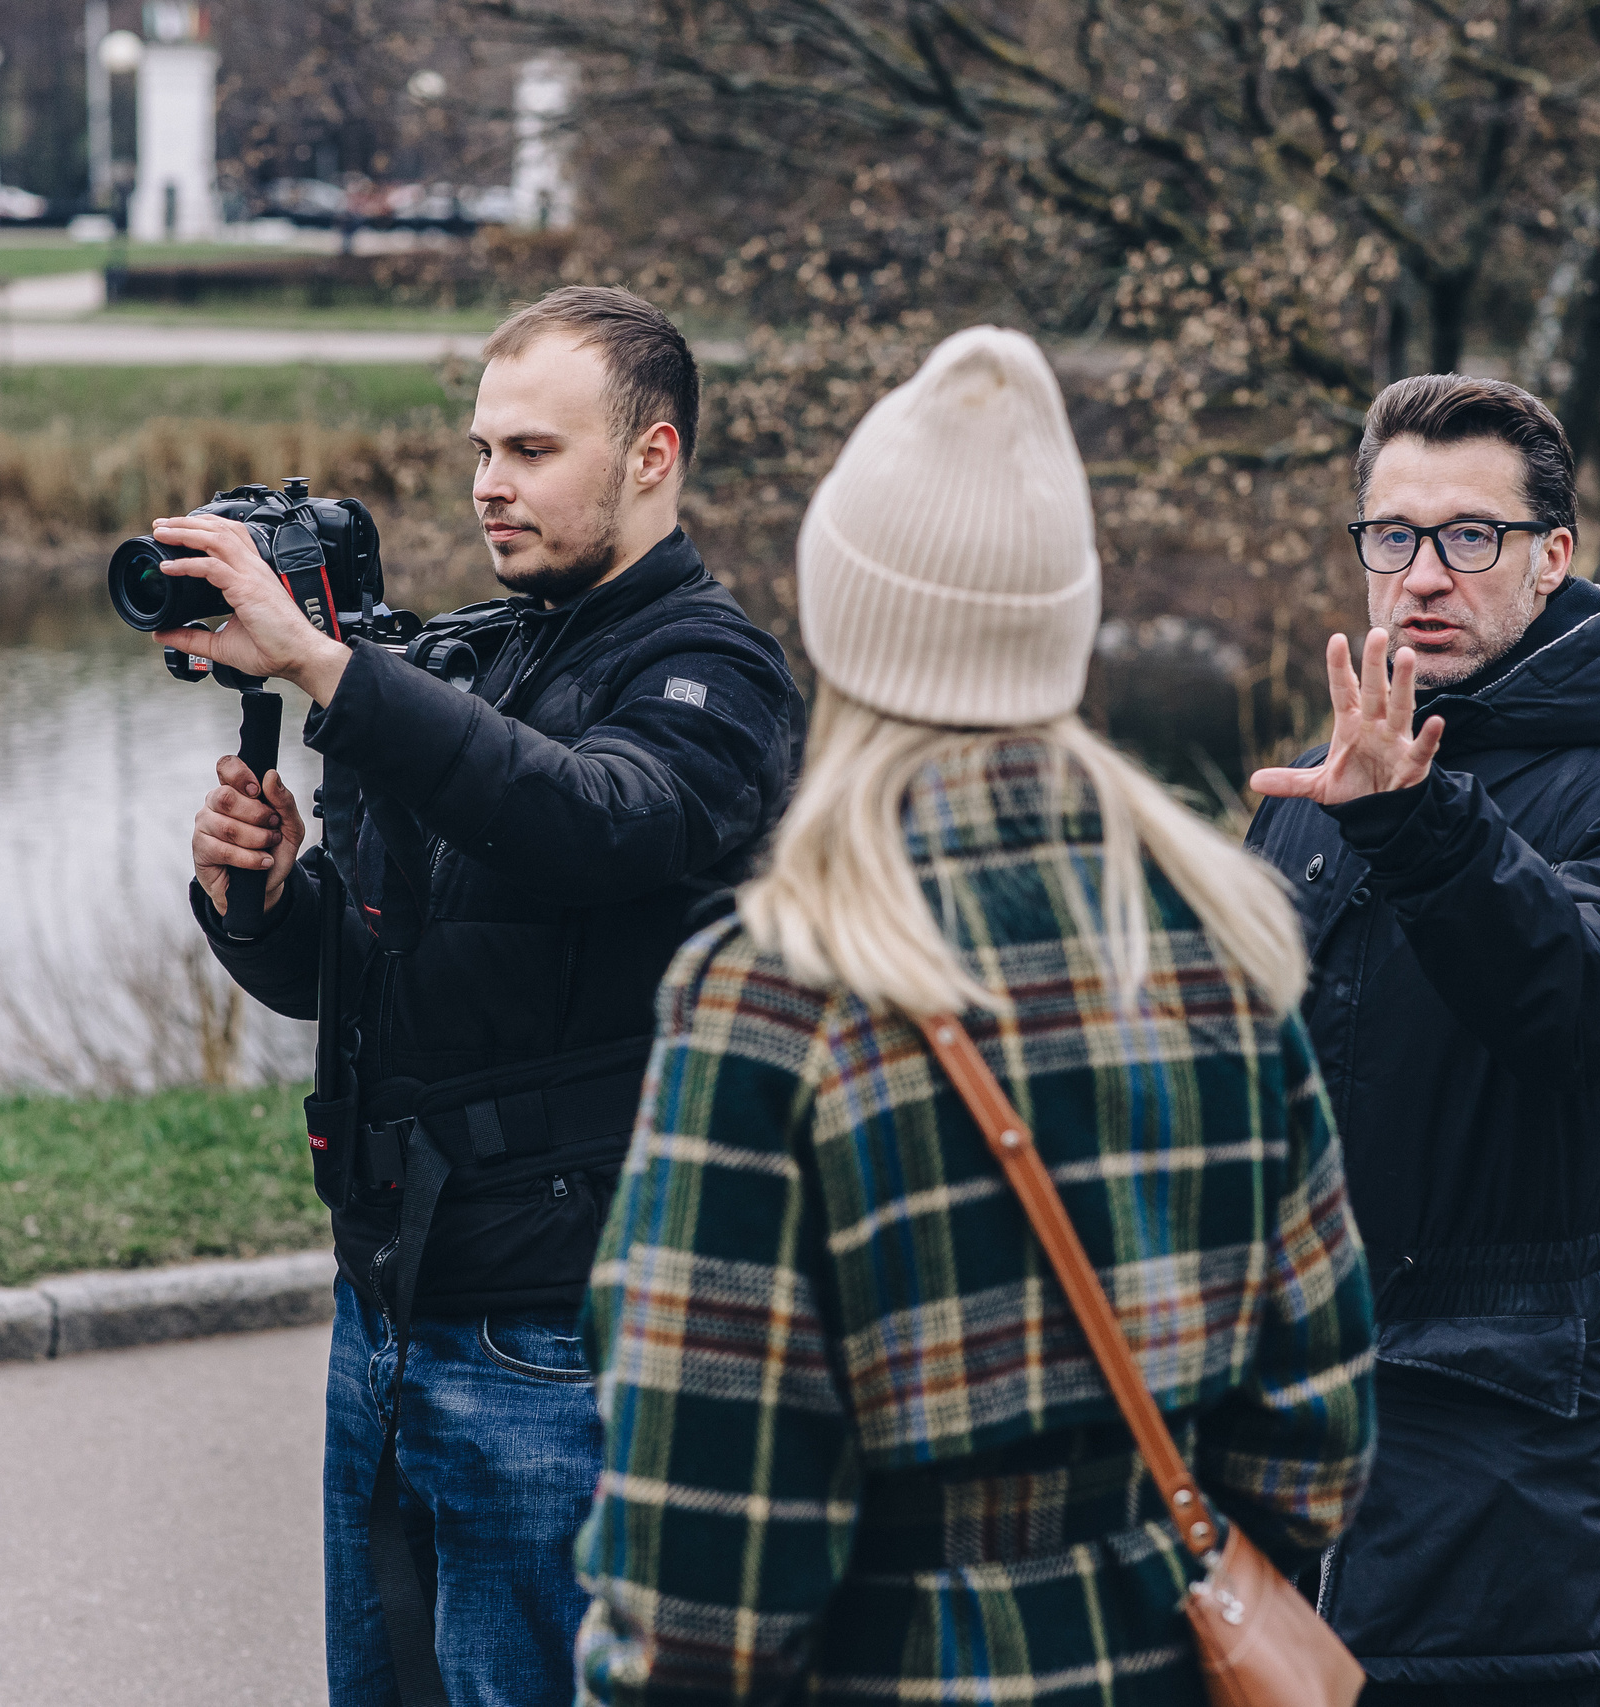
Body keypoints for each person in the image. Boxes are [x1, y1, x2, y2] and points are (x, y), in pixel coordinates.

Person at [571, 327, 1378, 1707]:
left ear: (849, 630)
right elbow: (1317, 1445)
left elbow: (705, 1581)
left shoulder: (775, 997)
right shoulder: (1220, 952)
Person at [161, 286, 803, 1707]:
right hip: (386, 1303)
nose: (488, 485)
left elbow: (589, 824)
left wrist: (331, 670)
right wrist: (260, 899)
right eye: (480, 448)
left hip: (557, 1338)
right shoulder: (475, 654)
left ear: (652, 455)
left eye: (531, 450)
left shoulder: (715, 673)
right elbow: (376, 968)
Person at [1244, 374, 1600, 1705]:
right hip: (1293, 1443)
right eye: (1392, 536)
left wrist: (1415, 823)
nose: (1422, 574)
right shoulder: (1326, 782)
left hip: (1506, 1465)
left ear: (1553, 558)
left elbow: (1589, 1004)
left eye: (1471, 536)